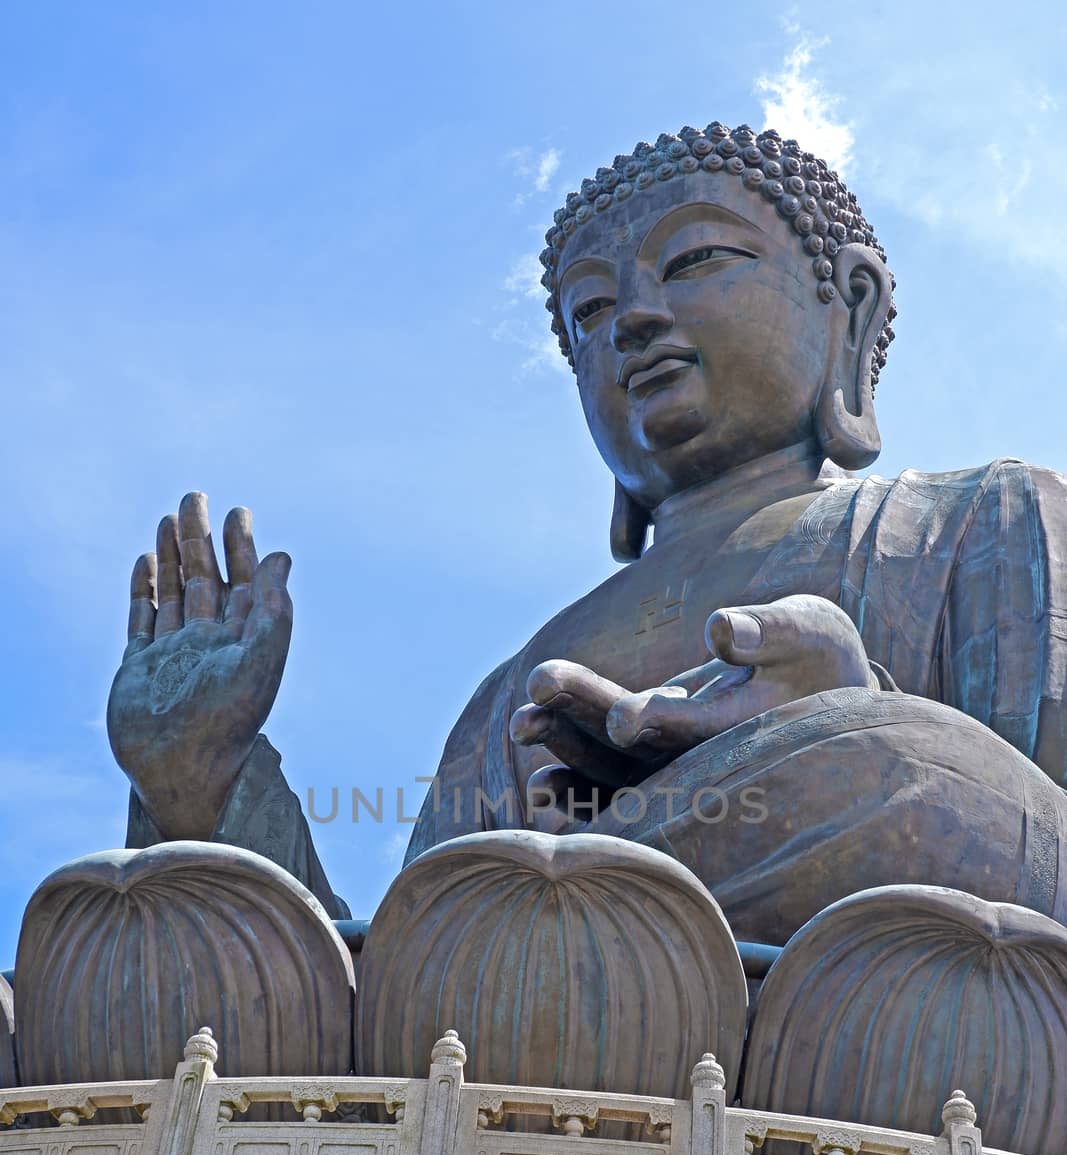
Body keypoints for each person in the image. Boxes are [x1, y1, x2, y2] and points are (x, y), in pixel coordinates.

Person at [107, 122, 1067, 946]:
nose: (636, 322)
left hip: (892, 1002)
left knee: (892, 776)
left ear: (847, 306)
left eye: (695, 262)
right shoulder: (517, 684)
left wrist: (846, 717)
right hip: (498, 1018)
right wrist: (202, 774)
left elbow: (1036, 857)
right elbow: (385, 963)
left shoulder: (984, 519)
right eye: (592, 312)